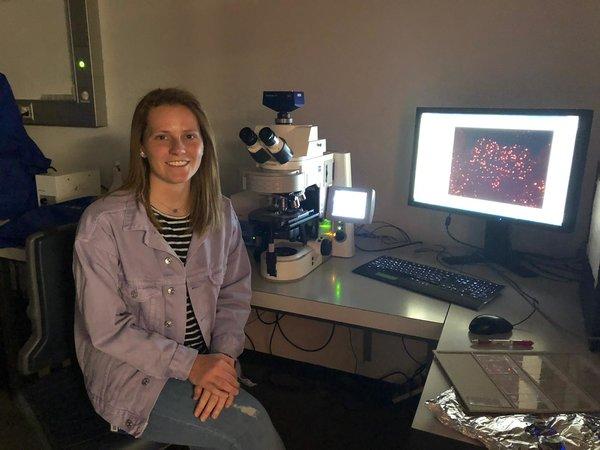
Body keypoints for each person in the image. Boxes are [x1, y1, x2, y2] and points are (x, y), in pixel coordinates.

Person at [73, 88, 284, 449]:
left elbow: (233, 295)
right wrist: (192, 367)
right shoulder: (103, 223)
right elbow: (106, 329)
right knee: (249, 430)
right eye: (162, 137)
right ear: (141, 146)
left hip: (206, 362)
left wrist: (222, 357)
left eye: (189, 136)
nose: (178, 149)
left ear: (203, 144)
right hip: (135, 374)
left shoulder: (221, 213)